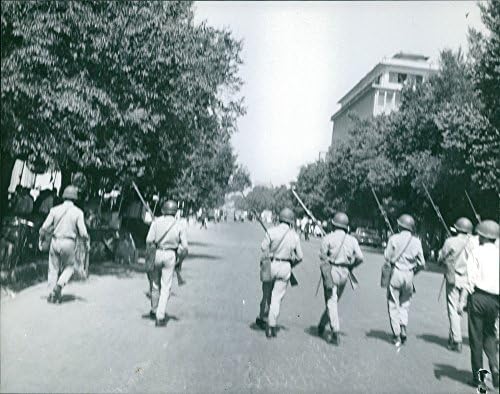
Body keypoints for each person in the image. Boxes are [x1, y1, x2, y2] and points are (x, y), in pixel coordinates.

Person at [317, 212, 363, 345]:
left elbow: (322, 256)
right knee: (333, 301)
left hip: (331, 271)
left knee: (331, 300)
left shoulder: (328, 238)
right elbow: (360, 257)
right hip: (344, 273)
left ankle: (335, 331)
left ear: (333, 224)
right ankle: (321, 324)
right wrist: (351, 266)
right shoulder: (352, 240)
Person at [39, 185, 89, 303]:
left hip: (55, 241)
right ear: (75, 198)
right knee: (69, 267)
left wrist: (42, 238)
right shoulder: (78, 213)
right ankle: (59, 286)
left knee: (53, 268)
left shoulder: (54, 210)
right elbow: (83, 232)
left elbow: (44, 227)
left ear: (63, 197)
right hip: (69, 242)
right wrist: (86, 242)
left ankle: (52, 293)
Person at [465, 220, 499, 389]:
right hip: (495, 300)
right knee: (490, 335)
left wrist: (465, 298)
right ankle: (494, 366)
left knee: (476, 339)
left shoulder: (476, 251)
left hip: (478, 296)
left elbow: (470, 278)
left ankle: (479, 378)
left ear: (484, 237)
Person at [384, 214, 425, 347]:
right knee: (405, 304)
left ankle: (396, 335)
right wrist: (414, 272)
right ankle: (403, 330)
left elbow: (387, 257)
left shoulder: (394, 238)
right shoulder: (417, 241)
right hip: (409, 275)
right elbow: (422, 263)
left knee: (393, 304)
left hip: (396, 273)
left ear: (400, 225)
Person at [261, 208, 303, 338]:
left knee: (266, 293)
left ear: (279, 219)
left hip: (271, 264)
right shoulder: (294, 236)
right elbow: (300, 256)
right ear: (291, 221)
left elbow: (263, 248)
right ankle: (271, 326)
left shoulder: (271, 231)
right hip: (285, 267)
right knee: (277, 298)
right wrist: (291, 264)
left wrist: (272, 252)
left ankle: (263, 317)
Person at [146, 200, 188, 327]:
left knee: (155, 284)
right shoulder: (180, 225)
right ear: (175, 212)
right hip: (170, 255)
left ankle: (154, 310)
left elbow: (149, 240)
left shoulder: (156, 222)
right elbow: (185, 247)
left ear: (163, 210)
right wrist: (179, 260)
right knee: (166, 287)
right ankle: (160, 315)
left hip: (157, 253)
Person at [437, 217, 477, 353]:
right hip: (469, 281)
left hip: (453, 278)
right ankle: (453, 334)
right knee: (459, 309)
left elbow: (440, 258)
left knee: (453, 309)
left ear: (457, 228)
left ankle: (457, 340)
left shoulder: (450, 241)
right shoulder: (475, 243)